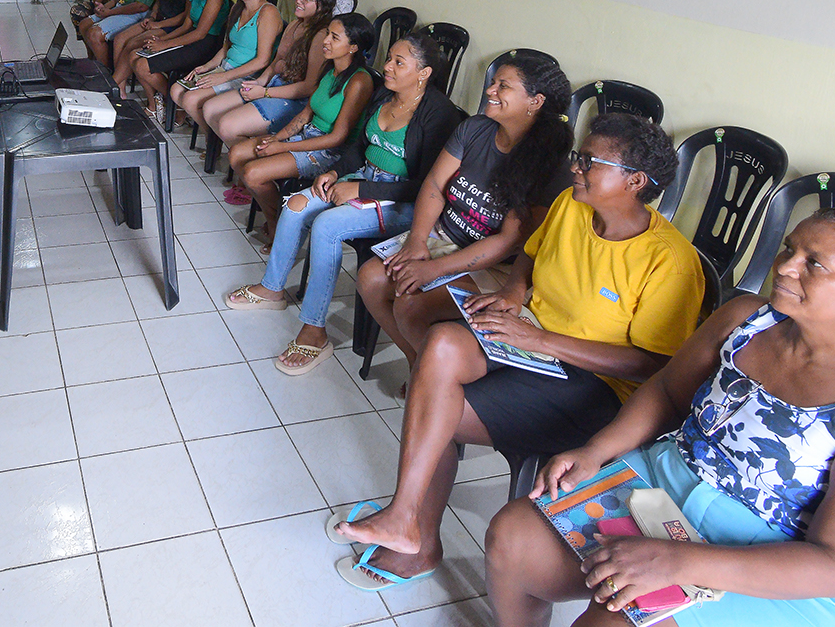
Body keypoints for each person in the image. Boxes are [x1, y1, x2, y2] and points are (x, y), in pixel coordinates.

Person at [484, 206, 835, 627]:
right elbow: (667, 391)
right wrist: (596, 451)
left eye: (814, 264)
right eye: (790, 249)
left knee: (613, 621)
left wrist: (678, 562)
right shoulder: (747, 319)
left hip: (782, 563)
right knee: (514, 537)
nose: (786, 266)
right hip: (667, 482)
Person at [332, 115, 703, 591]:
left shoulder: (669, 261)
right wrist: (512, 291)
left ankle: (417, 537)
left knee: (438, 405)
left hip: (593, 386)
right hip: (532, 337)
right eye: (579, 156)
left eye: (590, 162)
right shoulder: (571, 204)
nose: (576, 167)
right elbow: (531, 251)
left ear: (635, 181)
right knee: (441, 347)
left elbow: (654, 366)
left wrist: (540, 341)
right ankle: (405, 517)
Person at [222, 31, 464, 375]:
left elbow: (427, 187)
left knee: (327, 226)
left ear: (423, 73)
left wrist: (362, 189)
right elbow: (358, 148)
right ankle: (272, 289)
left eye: (399, 62)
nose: (388, 67)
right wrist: (335, 173)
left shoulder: (438, 114)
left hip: (402, 201)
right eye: (389, 58)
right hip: (364, 179)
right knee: (296, 206)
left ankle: (315, 331)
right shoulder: (385, 95)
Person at [358, 49, 574, 369]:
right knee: (370, 278)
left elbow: (508, 242)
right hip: (446, 236)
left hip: (494, 265)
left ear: (535, 101)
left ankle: (430, 374)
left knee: (411, 305)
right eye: (494, 83)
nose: (490, 90)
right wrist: (417, 240)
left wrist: (434, 269)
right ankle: (417, 362)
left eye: (503, 86)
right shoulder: (475, 129)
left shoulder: (550, 165)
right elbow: (434, 184)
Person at [227, 13, 377, 247]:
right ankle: (279, 215)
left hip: (329, 151)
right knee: (237, 154)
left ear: (353, 47)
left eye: (334, 37)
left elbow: (337, 138)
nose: (325, 41)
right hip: (308, 135)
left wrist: (282, 147)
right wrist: (276, 138)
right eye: (327, 34)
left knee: (252, 173)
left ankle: (279, 225)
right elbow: (305, 114)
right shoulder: (330, 69)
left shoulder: (359, 81)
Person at [201, 0, 336, 203]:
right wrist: (260, 82)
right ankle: (249, 170)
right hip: (274, 86)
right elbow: (275, 62)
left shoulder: (321, 35)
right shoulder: (294, 25)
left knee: (228, 125)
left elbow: (308, 87)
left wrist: (264, 93)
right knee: (211, 110)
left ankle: (253, 178)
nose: (299, 1)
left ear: (322, 6)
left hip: (295, 99)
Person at [169, 0, 283, 133]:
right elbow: (227, 47)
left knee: (190, 99)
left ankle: (213, 138)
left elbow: (263, 60)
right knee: (176, 90)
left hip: (246, 75)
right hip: (225, 69)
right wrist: (208, 66)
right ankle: (214, 135)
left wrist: (223, 77)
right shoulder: (238, 8)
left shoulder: (268, 13)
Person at [131, 0, 231, 116]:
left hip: (204, 45)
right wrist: (161, 41)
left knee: (142, 65)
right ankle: (156, 105)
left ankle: (176, 105)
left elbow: (200, 33)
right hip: (189, 38)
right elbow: (185, 26)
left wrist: (165, 45)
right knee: (134, 55)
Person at [110, 0, 199, 90]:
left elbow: (185, 16)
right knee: (120, 38)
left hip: (171, 26)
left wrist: (158, 24)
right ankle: (121, 86)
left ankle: (113, 85)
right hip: (157, 20)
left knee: (132, 44)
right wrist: (152, 16)